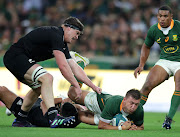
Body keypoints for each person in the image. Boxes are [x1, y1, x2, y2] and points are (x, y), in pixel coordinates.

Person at [3, 16, 101, 127]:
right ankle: (53, 117)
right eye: (77, 33)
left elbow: (75, 67)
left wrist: (93, 86)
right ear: (68, 28)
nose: (76, 37)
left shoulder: (61, 43)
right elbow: (63, 66)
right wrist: (76, 86)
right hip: (16, 57)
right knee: (47, 78)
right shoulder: (56, 34)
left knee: (39, 88)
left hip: (15, 58)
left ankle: (20, 119)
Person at [134, 5, 180, 130]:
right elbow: (146, 46)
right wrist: (141, 65)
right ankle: (133, 117)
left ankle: (168, 119)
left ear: (171, 17)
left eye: (165, 16)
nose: (162, 19)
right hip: (165, 61)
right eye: (160, 16)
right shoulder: (154, 29)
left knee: (178, 85)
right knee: (147, 85)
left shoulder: (178, 26)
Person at [0, 86, 81, 128]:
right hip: (33, 102)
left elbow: (44, 103)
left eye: (61, 106)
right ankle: (10, 107)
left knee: (2, 90)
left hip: (23, 109)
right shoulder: (62, 117)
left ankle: (10, 107)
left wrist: (61, 100)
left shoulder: (49, 119)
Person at [68, 88, 144, 130]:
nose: (133, 107)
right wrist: (122, 128)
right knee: (72, 94)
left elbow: (141, 127)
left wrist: (135, 128)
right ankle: (64, 100)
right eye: (131, 103)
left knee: (79, 116)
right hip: (98, 102)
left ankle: (78, 108)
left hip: (106, 116)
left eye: (136, 104)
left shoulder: (139, 110)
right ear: (124, 100)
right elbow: (101, 126)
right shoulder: (114, 102)